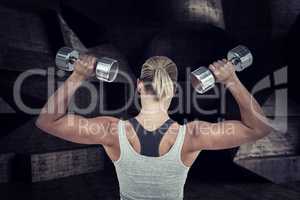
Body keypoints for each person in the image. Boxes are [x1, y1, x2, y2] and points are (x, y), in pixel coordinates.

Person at [36, 55, 272, 200]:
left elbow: (47, 121)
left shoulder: (111, 130)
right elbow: (259, 129)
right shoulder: (193, 135)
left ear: (139, 85)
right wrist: (231, 79)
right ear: (173, 89)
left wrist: (77, 76)